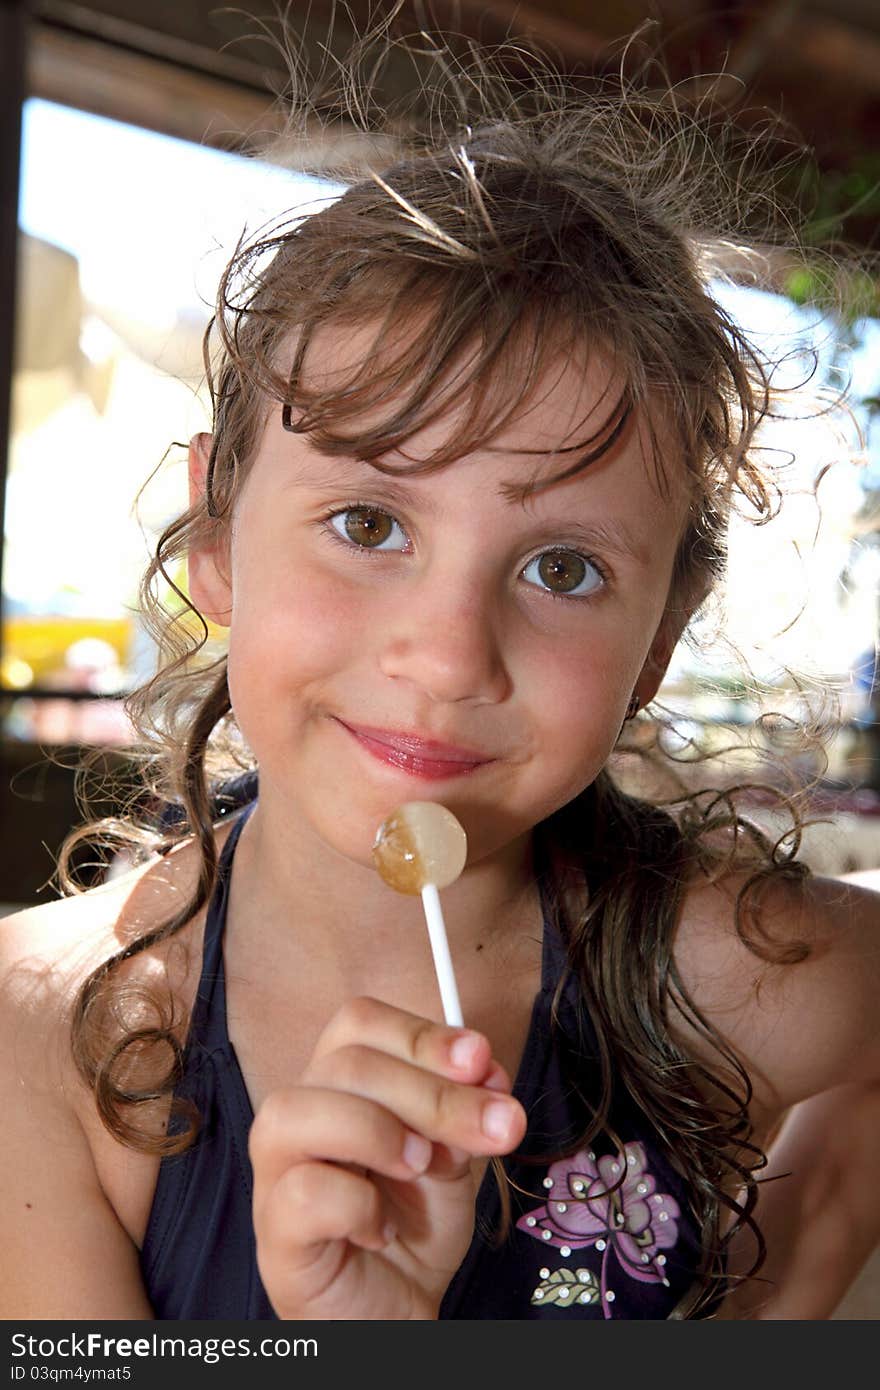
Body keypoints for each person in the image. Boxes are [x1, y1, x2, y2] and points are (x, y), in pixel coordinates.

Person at [2, 38, 879, 1322]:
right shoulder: (42, 1040)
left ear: (661, 638)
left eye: (564, 568)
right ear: (218, 543)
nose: (448, 654)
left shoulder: (750, 975)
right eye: (368, 525)